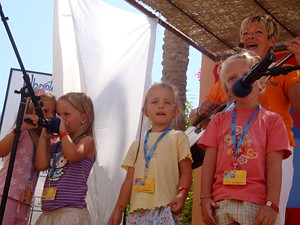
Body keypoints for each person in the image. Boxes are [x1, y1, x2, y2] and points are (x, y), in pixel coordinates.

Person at [189, 14, 300, 225]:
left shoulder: (283, 73)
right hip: (233, 156)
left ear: (271, 42)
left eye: (259, 32)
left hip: (275, 152)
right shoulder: (232, 73)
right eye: (246, 33)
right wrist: (199, 110)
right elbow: (195, 119)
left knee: (272, 216)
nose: (251, 36)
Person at [198, 51, 291, 225]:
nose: (241, 80)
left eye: (247, 75)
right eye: (233, 78)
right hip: (221, 204)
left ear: (261, 81)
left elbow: (274, 165)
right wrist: (204, 198)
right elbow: (209, 161)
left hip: (258, 206)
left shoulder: (273, 120)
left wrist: (271, 204)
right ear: (227, 89)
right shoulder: (218, 120)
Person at [109, 83, 192, 225]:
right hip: (136, 213)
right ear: (145, 111)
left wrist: (182, 195)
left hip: (165, 209)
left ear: (176, 111)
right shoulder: (137, 144)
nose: (161, 106)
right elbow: (129, 180)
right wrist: (118, 209)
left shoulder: (179, 137)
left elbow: (186, 172)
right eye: (155, 102)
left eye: (167, 102)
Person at [34, 92, 95, 225]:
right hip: (48, 212)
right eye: (58, 115)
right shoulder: (57, 146)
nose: (61, 119)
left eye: (66, 114)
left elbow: (72, 155)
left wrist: (63, 132)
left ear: (84, 118)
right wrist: (44, 138)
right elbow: (41, 165)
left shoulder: (87, 141)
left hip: (70, 212)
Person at [0, 89, 56, 225]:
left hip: (26, 203)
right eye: (45, 111)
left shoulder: (45, 139)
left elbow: (41, 166)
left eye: (54, 113)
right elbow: (1, 151)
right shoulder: (22, 130)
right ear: (32, 108)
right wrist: (20, 128)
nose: (50, 116)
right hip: (7, 196)